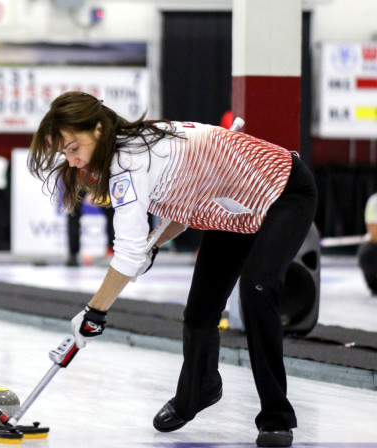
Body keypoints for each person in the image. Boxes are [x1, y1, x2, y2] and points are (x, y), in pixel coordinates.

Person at [28, 91, 317, 448]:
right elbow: (181, 208)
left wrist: (94, 312)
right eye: (66, 154)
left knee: (256, 288)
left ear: (99, 131)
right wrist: (154, 243)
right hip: (233, 211)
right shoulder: (137, 145)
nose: (72, 162)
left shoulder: (129, 163)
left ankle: (276, 416)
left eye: (73, 148)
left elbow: (128, 252)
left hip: (284, 192)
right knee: (200, 312)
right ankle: (200, 389)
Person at [66, 189, 115, 267]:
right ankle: (73, 254)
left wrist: (95, 189)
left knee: (112, 212)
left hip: (100, 183)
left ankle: (112, 250)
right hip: (82, 183)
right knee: (73, 212)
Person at [357, 192, 377, 296]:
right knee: (367, 252)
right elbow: (374, 234)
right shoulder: (374, 201)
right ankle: (374, 286)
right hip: (374, 243)